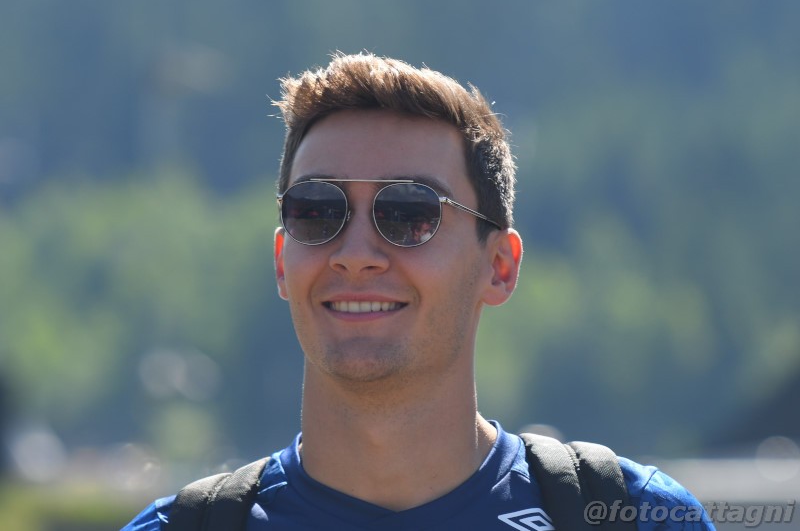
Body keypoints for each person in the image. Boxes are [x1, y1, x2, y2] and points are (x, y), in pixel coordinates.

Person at [123, 52, 714, 530]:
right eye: (316, 211)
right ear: (282, 261)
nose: (355, 254)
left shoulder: (638, 517)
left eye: (408, 213)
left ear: (500, 267)